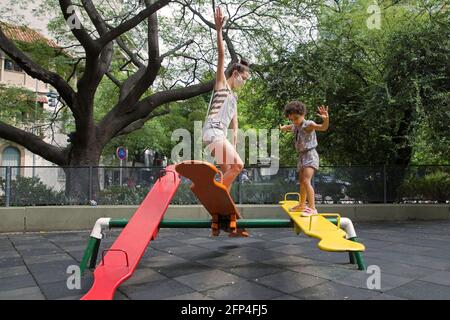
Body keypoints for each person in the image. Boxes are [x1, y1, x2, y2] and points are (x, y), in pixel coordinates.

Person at [202, 7, 250, 236]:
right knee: (238, 166)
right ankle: (217, 194)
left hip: (220, 135)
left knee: (229, 169)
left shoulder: (234, 98)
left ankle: (218, 216)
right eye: (243, 77)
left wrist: (235, 139)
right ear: (235, 74)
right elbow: (221, 56)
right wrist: (219, 30)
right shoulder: (221, 84)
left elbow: (235, 122)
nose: (244, 82)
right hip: (212, 132)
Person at [279, 101, 329, 216]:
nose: (294, 121)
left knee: (306, 181)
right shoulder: (295, 126)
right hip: (302, 156)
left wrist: (326, 119)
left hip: (310, 154)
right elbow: (289, 127)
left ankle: (312, 208)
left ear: (302, 114)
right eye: (292, 119)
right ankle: (302, 205)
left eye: (296, 118)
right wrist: (282, 128)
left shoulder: (308, 125)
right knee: (302, 182)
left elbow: (323, 127)